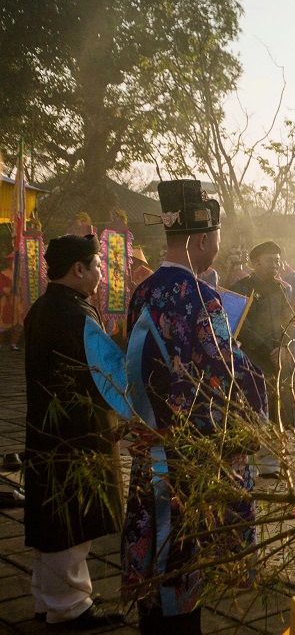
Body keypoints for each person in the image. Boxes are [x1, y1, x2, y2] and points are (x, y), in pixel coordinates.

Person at [123, 180, 267, 634]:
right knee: (185, 545)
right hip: (193, 449)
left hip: (153, 437)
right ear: (202, 240)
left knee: (157, 542)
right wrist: (260, 408)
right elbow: (228, 369)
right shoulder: (201, 297)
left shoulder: (143, 292)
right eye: (217, 239)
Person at [23, 234, 125, 628]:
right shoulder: (75, 314)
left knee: (52, 519)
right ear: (78, 269)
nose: (101, 273)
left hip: (50, 430)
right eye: (97, 265)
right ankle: (69, 607)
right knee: (71, 520)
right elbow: (102, 375)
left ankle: (47, 600)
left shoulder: (43, 308)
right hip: (76, 433)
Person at [230, 240, 294, 476]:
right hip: (251, 357)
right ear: (255, 262)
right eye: (270, 260)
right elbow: (241, 326)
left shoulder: (282, 288)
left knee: (277, 409)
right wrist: (268, 349)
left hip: (278, 357)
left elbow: (289, 321)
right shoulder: (241, 288)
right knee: (251, 408)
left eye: (278, 260)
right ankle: (248, 464)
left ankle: (271, 464)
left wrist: (285, 347)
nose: (276, 264)